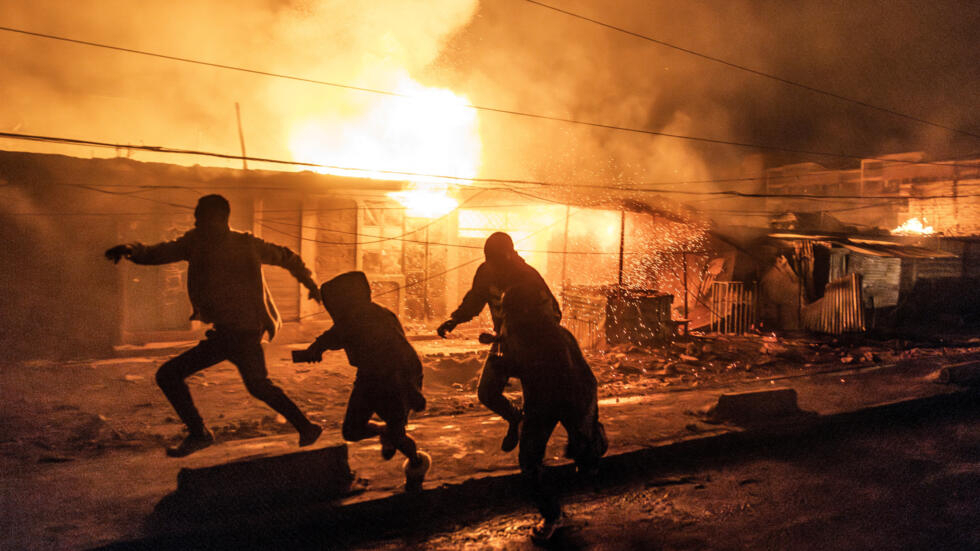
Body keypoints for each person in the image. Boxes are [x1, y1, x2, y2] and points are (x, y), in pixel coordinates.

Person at [105, 194, 323, 457]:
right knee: (256, 385)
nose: (196, 221)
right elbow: (159, 252)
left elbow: (288, 257)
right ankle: (305, 427)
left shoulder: (246, 244)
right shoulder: (195, 243)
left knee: (173, 375)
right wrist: (132, 249)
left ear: (220, 218)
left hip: (242, 333)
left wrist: (310, 285)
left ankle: (201, 434)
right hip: (227, 333)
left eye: (201, 216)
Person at [295, 271, 431, 491]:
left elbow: (400, 356)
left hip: (396, 379)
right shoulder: (353, 318)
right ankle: (385, 431)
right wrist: (316, 348)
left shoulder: (375, 318)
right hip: (369, 376)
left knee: (398, 437)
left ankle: (416, 464)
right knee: (352, 430)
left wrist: (412, 391)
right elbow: (334, 335)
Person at [495, 282, 607, 543]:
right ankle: (552, 513)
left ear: (524, 311)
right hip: (546, 401)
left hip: (570, 398)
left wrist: (581, 430)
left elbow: (566, 381)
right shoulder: (527, 332)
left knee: (574, 452)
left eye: (511, 311)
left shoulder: (551, 338)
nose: (507, 317)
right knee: (530, 461)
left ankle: (588, 453)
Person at [437, 232, 560, 452]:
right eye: (489, 260)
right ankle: (515, 419)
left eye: (498, 260)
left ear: (510, 255)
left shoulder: (528, 277)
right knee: (487, 393)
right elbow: (475, 299)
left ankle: (532, 454)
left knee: (535, 401)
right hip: (504, 343)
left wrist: (536, 338)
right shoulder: (486, 272)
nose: (494, 267)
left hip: (533, 348)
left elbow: (554, 312)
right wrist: (454, 320)